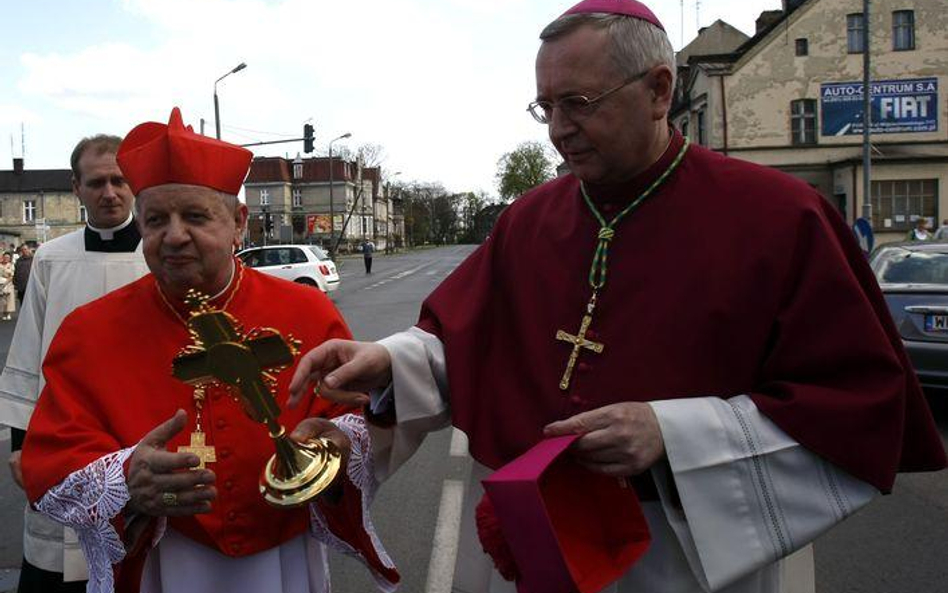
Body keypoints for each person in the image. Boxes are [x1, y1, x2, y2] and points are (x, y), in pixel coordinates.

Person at [288, 2, 947, 592]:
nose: (558, 130)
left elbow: (855, 405)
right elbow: (464, 342)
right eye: (546, 108)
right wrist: (389, 361)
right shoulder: (530, 219)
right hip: (527, 546)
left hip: (681, 555)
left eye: (578, 102)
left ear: (659, 90)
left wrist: (673, 432)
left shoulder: (780, 218)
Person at [19, 108, 398, 593]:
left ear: (239, 222)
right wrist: (126, 477)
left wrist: (340, 441)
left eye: (195, 216)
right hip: (162, 560)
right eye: (155, 219)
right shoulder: (88, 331)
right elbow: (49, 458)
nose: (173, 235)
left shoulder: (304, 309)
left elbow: (360, 411)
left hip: (283, 559)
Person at [0, 134, 150, 592]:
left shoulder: (159, 256)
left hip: (142, 432)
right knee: (59, 566)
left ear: (135, 185)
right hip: (65, 439)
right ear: (76, 188)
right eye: (97, 182)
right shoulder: (50, 258)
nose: (109, 193)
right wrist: (21, 450)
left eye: (119, 181)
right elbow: (28, 361)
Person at [0, 252, 14, 320]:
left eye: (8, 257)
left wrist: (5, 282)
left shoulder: (11, 265)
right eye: (5, 257)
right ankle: (3, 313)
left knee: (9, 299)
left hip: (8, 283)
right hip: (1, 283)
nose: (6, 259)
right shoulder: (0, 265)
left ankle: (8, 313)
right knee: (2, 299)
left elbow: (12, 276)